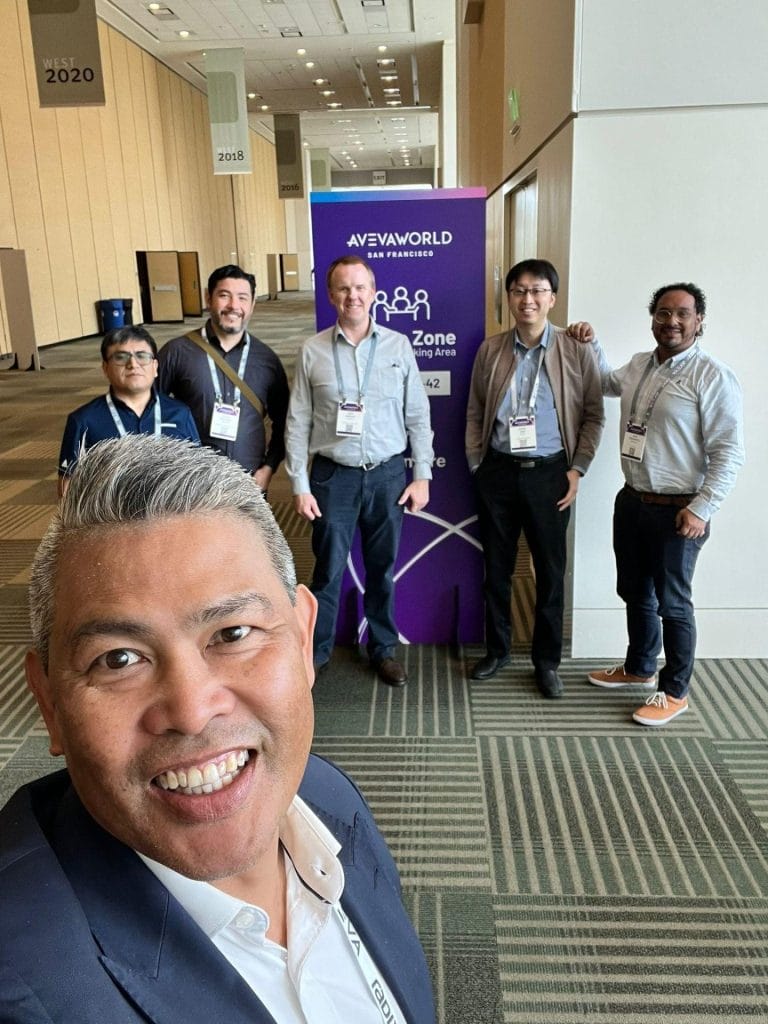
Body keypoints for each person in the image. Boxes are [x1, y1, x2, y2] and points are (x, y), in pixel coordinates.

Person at [0, 435, 436, 1024]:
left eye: (232, 634)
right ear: (49, 703)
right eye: (119, 659)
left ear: (305, 640)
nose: (191, 709)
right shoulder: (22, 991)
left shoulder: (327, 796)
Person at [570, 282, 745, 725]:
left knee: (673, 602)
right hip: (632, 501)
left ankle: (675, 689)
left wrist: (703, 507)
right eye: (664, 313)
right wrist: (592, 343)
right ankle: (639, 667)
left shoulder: (712, 376)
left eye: (683, 314)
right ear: (653, 317)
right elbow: (605, 380)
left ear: (699, 321)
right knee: (634, 591)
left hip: (680, 511)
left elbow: (729, 452)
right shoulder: (638, 365)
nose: (672, 321)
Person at [285, 255, 434, 686]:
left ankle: (383, 648)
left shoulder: (397, 346)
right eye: (343, 288)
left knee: (381, 569)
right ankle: (317, 652)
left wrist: (420, 473)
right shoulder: (312, 351)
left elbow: (418, 416)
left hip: (387, 476)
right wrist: (298, 482)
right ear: (331, 295)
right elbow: (297, 422)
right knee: (327, 570)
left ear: (374, 293)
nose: (353, 295)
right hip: (334, 478)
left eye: (360, 287)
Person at [465, 259, 604, 698]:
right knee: (497, 570)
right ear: (508, 297)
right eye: (519, 290)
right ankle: (498, 650)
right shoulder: (490, 350)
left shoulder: (574, 348)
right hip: (499, 473)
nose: (528, 299)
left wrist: (577, 468)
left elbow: (594, 415)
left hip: (551, 474)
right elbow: (474, 410)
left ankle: (546, 663)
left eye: (537, 290)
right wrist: (477, 464)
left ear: (552, 298)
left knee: (550, 571)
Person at [157, 264, 289, 490]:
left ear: (253, 304)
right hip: (192, 483)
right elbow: (149, 412)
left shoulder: (266, 360)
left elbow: (285, 420)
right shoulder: (176, 352)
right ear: (208, 298)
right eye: (224, 296)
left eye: (242, 298)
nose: (233, 306)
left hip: (248, 483)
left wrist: (268, 468)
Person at [57, 325, 199, 495]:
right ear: (105, 368)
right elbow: (67, 488)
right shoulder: (84, 421)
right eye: (121, 357)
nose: (133, 364)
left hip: (172, 514)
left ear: (155, 367)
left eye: (142, 356)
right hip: (113, 518)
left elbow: (198, 472)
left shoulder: (180, 413)